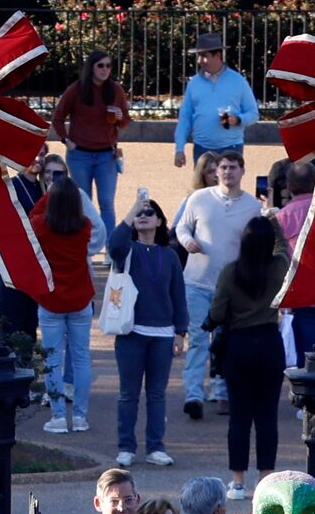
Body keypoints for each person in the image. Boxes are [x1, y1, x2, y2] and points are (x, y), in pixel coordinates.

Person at [174, 147, 261, 422]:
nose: (226, 172)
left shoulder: (252, 206)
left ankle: (222, 390)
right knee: (198, 340)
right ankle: (193, 395)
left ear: (242, 171)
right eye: (222, 167)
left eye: (232, 167)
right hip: (197, 282)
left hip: (232, 286)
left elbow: (257, 242)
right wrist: (187, 242)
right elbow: (181, 227)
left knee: (227, 341)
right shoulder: (199, 199)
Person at [204, 216, 289, 498]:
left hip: (239, 345)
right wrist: (274, 221)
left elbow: (217, 313)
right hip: (268, 341)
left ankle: (238, 481)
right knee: (267, 416)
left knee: (239, 416)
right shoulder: (278, 268)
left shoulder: (231, 272)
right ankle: (265, 478)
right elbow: (284, 250)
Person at [104, 193, 189, 469]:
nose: (143, 215)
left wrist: (181, 331)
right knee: (128, 394)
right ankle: (126, 447)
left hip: (163, 335)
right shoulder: (128, 250)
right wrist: (131, 209)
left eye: (149, 212)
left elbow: (178, 294)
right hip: (131, 332)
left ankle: (156, 447)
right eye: (140, 213)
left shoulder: (171, 255)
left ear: (160, 220)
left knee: (157, 394)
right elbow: (113, 243)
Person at [27, 172, 100, 436]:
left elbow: (33, 213)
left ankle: (58, 416)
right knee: (81, 359)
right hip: (80, 298)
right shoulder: (85, 227)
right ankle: (80, 416)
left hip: (51, 299)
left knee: (52, 360)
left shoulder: (40, 226)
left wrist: (47, 194)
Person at [51, 49, 129, 233]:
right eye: (100, 65)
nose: (105, 70)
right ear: (91, 67)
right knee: (83, 203)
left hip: (107, 155)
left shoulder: (115, 89)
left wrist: (120, 117)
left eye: (108, 66)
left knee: (107, 203)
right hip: (80, 155)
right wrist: (65, 139)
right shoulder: (77, 89)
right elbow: (58, 117)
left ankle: (111, 250)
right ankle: (86, 247)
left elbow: (125, 121)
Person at [172, 30, 257, 173]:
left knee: (228, 191)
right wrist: (179, 149)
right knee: (202, 192)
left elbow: (253, 113)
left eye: (203, 56)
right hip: (201, 148)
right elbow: (185, 118)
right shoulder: (194, 84)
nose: (199, 61)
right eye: (199, 56)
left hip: (232, 147)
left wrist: (238, 119)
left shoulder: (238, 81)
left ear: (217, 55)